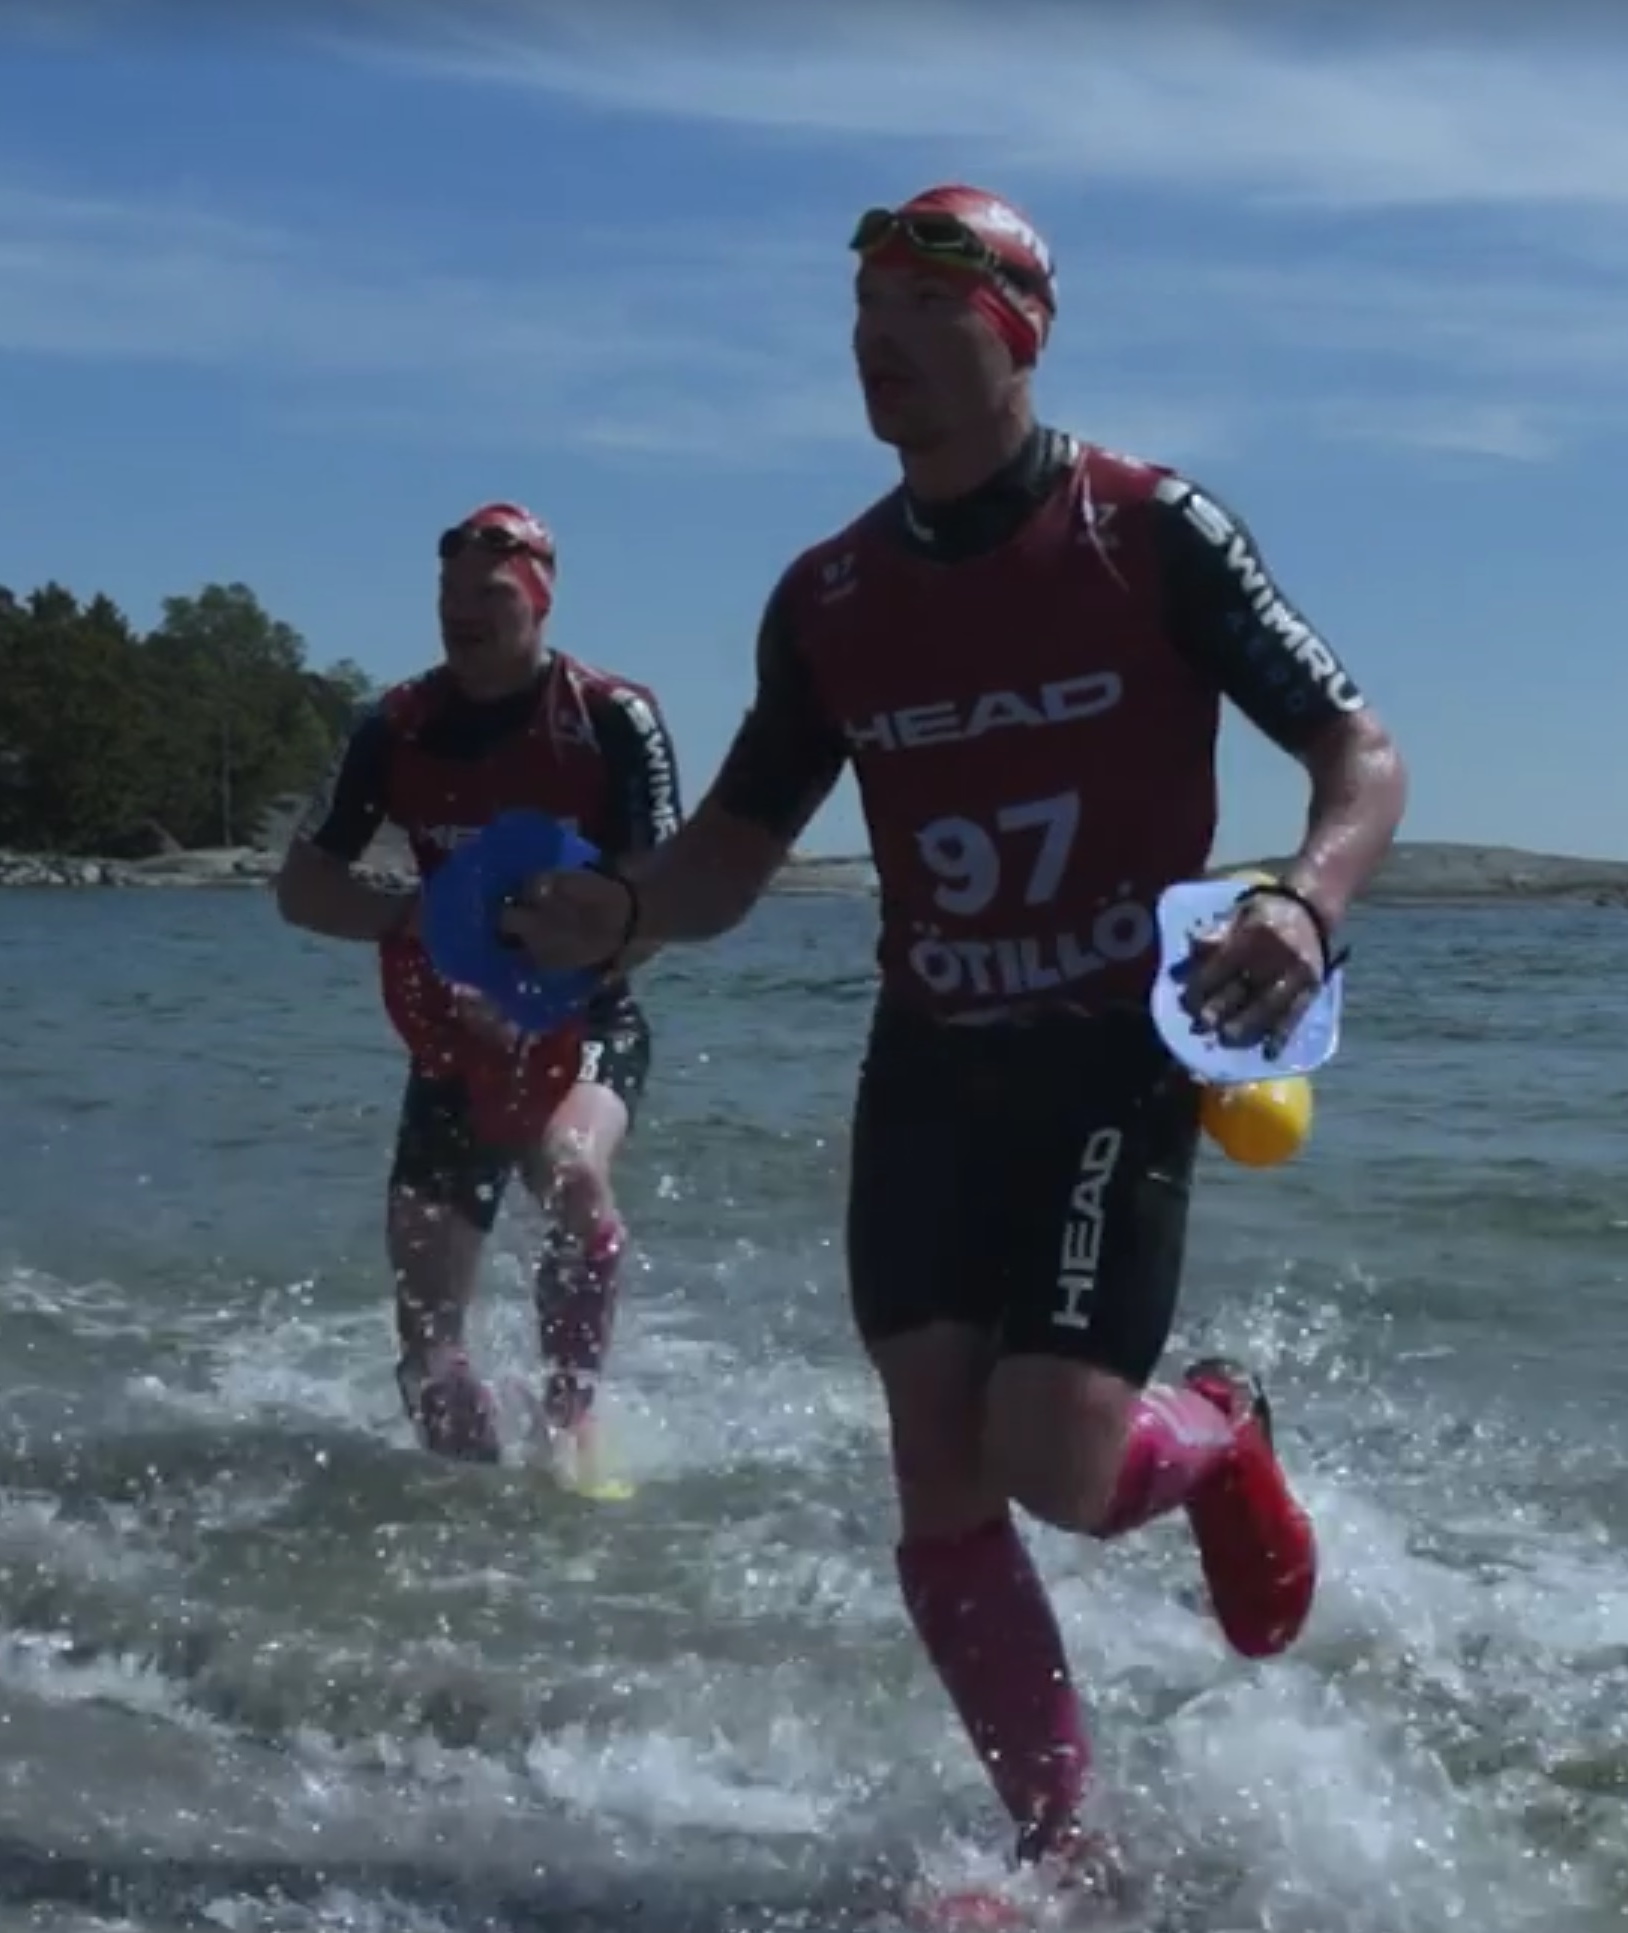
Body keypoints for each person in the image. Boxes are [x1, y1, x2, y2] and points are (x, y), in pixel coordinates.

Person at [500, 186, 1410, 1894]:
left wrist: (1299, 902)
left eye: (918, 325)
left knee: (1058, 1460)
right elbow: (729, 858)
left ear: (1014, 331)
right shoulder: (827, 595)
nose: (880, 359)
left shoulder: (1147, 529)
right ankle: (1062, 1840)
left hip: (1109, 1047)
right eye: (860, 333)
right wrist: (614, 911)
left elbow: (1359, 757)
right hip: (926, 1061)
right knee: (934, 1456)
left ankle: (1214, 1422)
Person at [273, 501, 682, 1485]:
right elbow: (302, 888)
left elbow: (663, 905)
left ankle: (571, 1428)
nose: (464, 611)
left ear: (538, 599)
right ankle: (461, 1507)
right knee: (428, 1336)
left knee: (575, 1175)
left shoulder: (609, 717)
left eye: (490, 594)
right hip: (452, 1033)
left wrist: (560, 969)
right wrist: (414, 915)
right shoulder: (396, 725)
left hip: (586, 1013)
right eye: (450, 593)